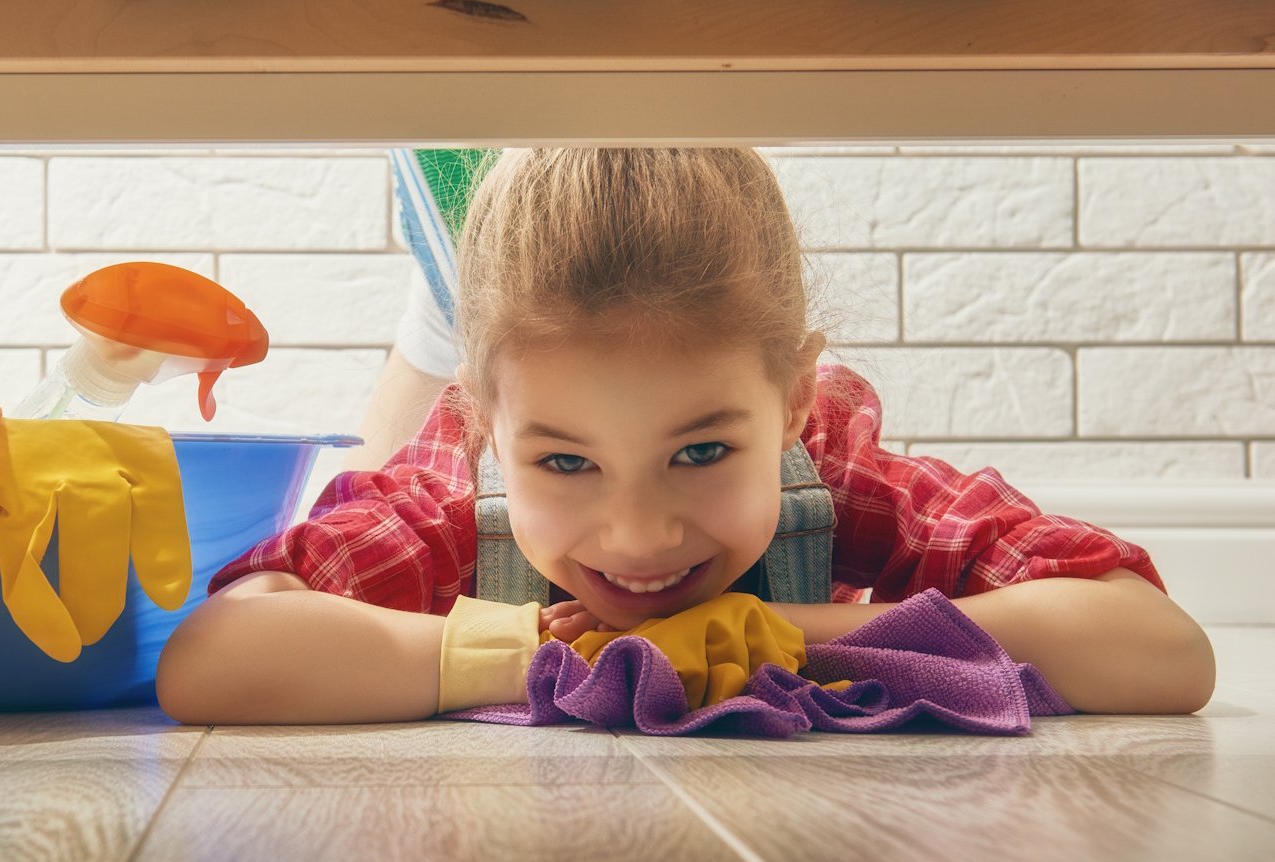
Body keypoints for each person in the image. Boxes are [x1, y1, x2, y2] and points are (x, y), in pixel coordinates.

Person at [156, 148, 1215, 725]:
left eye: (700, 452)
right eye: (564, 461)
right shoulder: (455, 489)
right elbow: (216, 658)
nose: (638, 536)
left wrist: (775, 634)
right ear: (486, 425)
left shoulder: (828, 472)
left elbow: (1158, 650)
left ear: (791, 402)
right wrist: (543, 652)